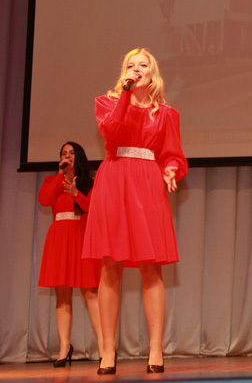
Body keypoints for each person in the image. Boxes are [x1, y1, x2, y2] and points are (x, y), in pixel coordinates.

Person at [82, 48, 188, 375]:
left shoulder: (167, 114)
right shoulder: (108, 102)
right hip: (114, 180)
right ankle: (107, 351)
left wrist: (171, 169)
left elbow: (173, 153)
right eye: (131, 65)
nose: (137, 69)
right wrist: (125, 94)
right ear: (124, 72)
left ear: (153, 74)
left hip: (147, 183)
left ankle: (155, 349)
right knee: (110, 266)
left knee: (150, 267)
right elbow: (111, 132)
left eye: (143, 65)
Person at [37, 141, 103, 365]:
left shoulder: (89, 183)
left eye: (71, 153)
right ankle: (64, 347)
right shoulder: (52, 181)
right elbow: (44, 200)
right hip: (59, 238)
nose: (67, 156)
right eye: (64, 153)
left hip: (81, 236)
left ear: (79, 156)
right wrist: (59, 175)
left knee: (90, 292)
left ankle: (104, 345)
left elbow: (93, 209)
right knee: (62, 296)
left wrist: (76, 193)